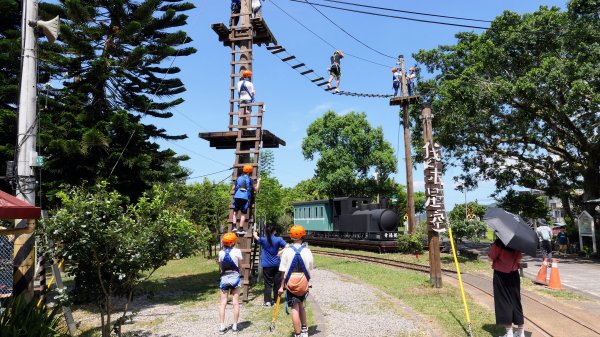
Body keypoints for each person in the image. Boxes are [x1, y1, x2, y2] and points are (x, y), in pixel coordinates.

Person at [278, 225, 314, 337]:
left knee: (294, 307)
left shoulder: (287, 251)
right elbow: (310, 267)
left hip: (291, 282)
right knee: (301, 305)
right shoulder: (307, 251)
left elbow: (283, 271)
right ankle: (304, 330)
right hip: (303, 281)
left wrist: (281, 286)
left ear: (291, 236)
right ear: (303, 236)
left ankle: (297, 334)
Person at [488, 238, 525, 337]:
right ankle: (521, 332)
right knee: (516, 301)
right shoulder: (517, 243)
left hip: (501, 274)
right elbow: (519, 259)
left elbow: (491, 257)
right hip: (514, 274)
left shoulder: (499, 243)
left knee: (503, 302)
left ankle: (509, 333)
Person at [253, 224, 287, 307]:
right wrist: (280, 252)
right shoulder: (279, 239)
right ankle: (276, 300)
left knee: (268, 283)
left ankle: (267, 301)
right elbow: (287, 246)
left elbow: (256, 238)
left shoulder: (264, 240)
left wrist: (254, 234)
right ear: (274, 231)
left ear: (266, 231)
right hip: (277, 264)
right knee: (277, 283)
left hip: (267, 265)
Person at [218, 232, 243, 335]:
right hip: (235, 277)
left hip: (224, 278)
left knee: (223, 303)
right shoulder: (237, 251)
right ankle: (235, 326)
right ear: (233, 242)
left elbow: (221, 267)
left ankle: (222, 326)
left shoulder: (220, 253)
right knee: (235, 302)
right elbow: (240, 265)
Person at [231, 165, 261, 234]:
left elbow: (233, 188)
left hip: (237, 196)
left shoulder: (238, 178)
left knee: (235, 213)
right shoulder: (250, 179)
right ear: (249, 172)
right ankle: (241, 229)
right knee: (243, 214)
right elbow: (256, 189)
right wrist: (258, 181)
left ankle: (234, 226)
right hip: (244, 197)